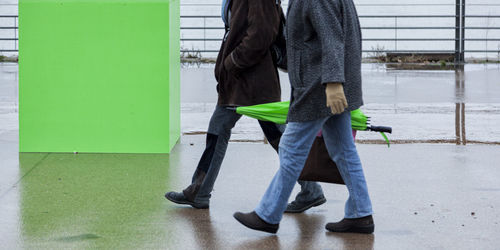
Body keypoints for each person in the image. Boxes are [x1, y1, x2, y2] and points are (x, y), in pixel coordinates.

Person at [164, 0, 326, 211]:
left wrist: (233, 62)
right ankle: (199, 191)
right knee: (226, 131)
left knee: (275, 137)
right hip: (245, 81)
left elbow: (262, 33)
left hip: (251, 80)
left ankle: (310, 189)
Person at [233, 0, 374, 234]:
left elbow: (332, 38)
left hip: (319, 87)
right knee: (343, 149)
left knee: (291, 147)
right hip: (329, 83)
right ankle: (361, 214)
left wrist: (333, 82)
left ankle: (268, 215)